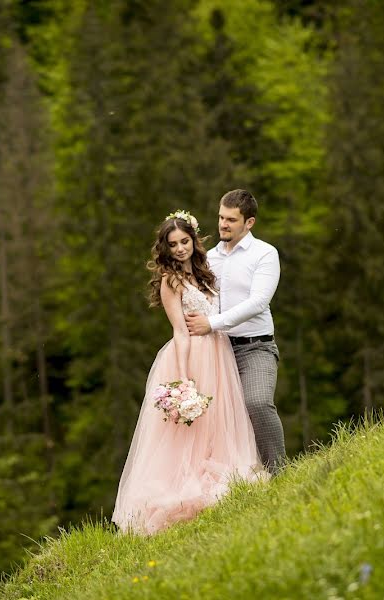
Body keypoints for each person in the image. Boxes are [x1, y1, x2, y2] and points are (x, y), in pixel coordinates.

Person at [111, 211, 267, 535]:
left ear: (194, 241)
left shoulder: (204, 272)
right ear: (165, 249)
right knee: (190, 431)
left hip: (219, 351)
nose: (180, 248)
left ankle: (226, 474)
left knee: (220, 422)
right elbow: (180, 332)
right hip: (194, 354)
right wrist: (183, 381)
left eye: (184, 241)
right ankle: (184, 492)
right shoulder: (172, 281)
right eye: (173, 244)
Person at [185, 189, 285, 473]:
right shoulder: (208, 258)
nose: (223, 224)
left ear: (249, 222)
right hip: (218, 349)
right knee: (217, 417)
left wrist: (212, 324)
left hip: (256, 346)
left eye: (231, 219)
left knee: (257, 402)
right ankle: (234, 479)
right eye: (220, 217)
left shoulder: (265, 254)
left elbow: (258, 302)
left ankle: (278, 472)